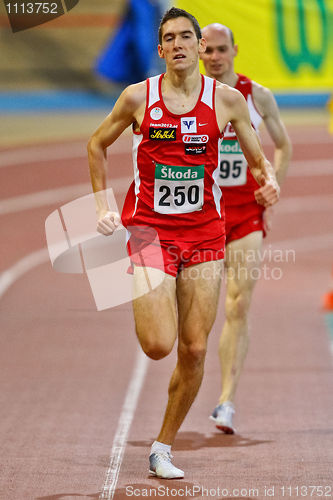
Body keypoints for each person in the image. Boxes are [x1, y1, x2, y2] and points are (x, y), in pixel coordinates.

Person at [87, 8, 280, 479]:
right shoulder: (138, 98)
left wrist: (268, 181)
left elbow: (258, 161)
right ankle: (154, 293)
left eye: (185, 37)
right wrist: (101, 207)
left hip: (204, 234)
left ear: (198, 46)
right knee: (158, 345)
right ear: (160, 50)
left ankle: (162, 446)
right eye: (168, 38)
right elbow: (96, 145)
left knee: (194, 350)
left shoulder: (228, 101)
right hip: (151, 232)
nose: (178, 44)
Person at [200, 23, 292, 433]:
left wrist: (273, 188)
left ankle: (226, 401)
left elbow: (284, 145)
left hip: (245, 214)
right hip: (200, 216)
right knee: (195, 316)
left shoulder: (257, 97)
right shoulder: (189, 99)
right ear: (200, 55)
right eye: (209, 51)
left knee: (237, 305)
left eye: (222, 49)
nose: (215, 57)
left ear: (235, 50)